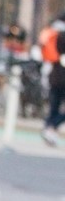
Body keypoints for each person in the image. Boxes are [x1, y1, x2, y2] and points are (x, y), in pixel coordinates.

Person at [40, 18, 65, 146]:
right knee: (56, 108)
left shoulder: (55, 35)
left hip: (54, 78)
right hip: (62, 78)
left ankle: (49, 129)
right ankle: (51, 128)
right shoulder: (62, 37)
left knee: (54, 107)